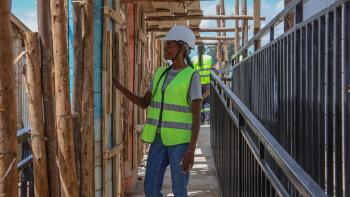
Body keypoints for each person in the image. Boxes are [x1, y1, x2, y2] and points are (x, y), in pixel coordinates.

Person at [112, 25, 202, 197]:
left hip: (181, 143)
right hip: (159, 139)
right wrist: (121, 88)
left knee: (179, 190)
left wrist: (191, 151)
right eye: (166, 45)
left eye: (170, 45)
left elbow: (197, 116)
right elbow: (145, 103)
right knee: (150, 188)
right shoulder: (160, 73)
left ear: (182, 48)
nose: (165, 49)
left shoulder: (192, 76)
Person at [191, 47, 212, 124]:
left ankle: (200, 118)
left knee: (198, 101)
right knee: (207, 102)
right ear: (204, 50)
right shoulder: (209, 58)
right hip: (207, 83)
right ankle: (207, 119)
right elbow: (212, 69)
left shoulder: (193, 59)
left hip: (197, 84)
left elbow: (192, 71)